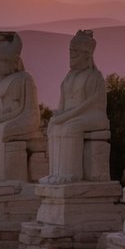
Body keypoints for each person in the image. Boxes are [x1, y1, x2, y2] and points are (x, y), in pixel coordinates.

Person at [44, 29, 108, 183]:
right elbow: (63, 104)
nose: (71, 55)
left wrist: (67, 116)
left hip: (94, 115)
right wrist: (58, 115)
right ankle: (56, 172)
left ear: (87, 54)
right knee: (54, 126)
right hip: (73, 115)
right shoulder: (69, 77)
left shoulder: (94, 76)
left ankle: (71, 173)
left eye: (76, 52)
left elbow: (90, 105)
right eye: (70, 51)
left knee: (70, 127)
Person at [0, 33, 40, 180]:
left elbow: (24, 109)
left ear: (14, 61)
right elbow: (1, 108)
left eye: (3, 61)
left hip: (25, 118)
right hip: (8, 118)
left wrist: (2, 118)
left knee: (2, 130)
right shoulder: (0, 81)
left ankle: (1, 175)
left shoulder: (25, 78)